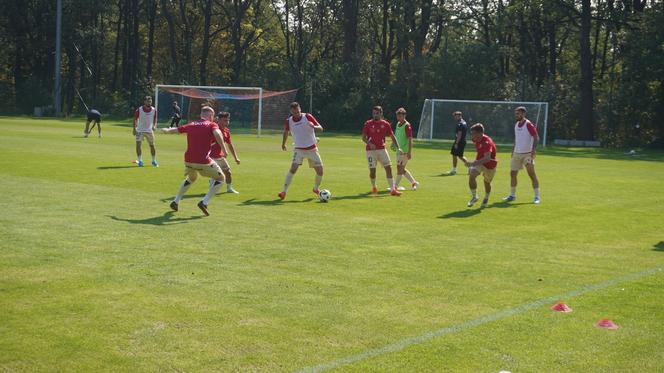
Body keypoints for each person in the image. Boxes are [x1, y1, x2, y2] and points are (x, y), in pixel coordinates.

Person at [161, 106, 228, 216]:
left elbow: (175, 130)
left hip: (188, 161)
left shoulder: (191, 124)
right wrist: (224, 149)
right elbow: (217, 133)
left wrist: (166, 130)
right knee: (221, 179)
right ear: (210, 116)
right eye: (213, 116)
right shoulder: (212, 124)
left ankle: (175, 201)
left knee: (192, 178)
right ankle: (204, 202)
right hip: (203, 161)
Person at [278, 102, 324, 200]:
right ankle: (283, 191)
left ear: (300, 109)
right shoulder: (289, 121)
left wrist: (314, 126)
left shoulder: (307, 116)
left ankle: (315, 189)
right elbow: (286, 132)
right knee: (293, 168)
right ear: (291, 112)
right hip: (299, 149)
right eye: (295, 112)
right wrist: (283, 144)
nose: (297, 114)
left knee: (320, 172)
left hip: (312, 149)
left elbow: (321, 128)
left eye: (298, 112)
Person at [503, 106, 540, 204]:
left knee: (531, 174)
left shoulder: (528, 124)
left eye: (518, 113)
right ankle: (512, 195)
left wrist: (533, 150)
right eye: (516, 113)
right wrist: (513, 150)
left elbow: (536, 137)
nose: (516, 115)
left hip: (527, 154)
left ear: (523, 114)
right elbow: (517, 139)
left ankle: (537, 196)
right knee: (512, 174)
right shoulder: (516, 124)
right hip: (516, 153)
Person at [362, 105, 402, 196]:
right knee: (372, 171)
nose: (375, 115)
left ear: (381, 113)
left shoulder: (386, 124)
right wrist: (369, 143)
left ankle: (393, 190)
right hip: (370, 151)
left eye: (377, 113)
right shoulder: (368, 123)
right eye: (373, 113)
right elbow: (363, 137)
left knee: (389, 168)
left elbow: (392, 136)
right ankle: (374, 186)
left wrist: (398, 147)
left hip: (382, 149)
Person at [464, 123, 498, 208]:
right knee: (472, 176)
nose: (472, 135)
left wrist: (472, 164)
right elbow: (479, 152)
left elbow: (487, 158)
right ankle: (474, 197)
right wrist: (473, 166)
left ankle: (486, 197)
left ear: (480, 133)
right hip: (480, 162)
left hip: (490, 164)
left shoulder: (487, 142)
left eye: (473, 133)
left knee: (486, 183)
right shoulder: (475, 139)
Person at [209, 112, 241, 194]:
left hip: (220, 156)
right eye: (224, 120)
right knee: (216, 174)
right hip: (211, 156)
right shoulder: (212, 129)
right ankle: (212, 188)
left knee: (228, 172)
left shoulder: (226, 131)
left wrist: (236, 158)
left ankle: (229, 188)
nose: (227, 122)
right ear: (218, 120)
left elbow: (230, 145)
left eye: (228, 120)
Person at [393, 107, 419, 191]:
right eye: (398, 116)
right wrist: (394, 143)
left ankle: (395, 186)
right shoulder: (397, 124)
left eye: (401, 116)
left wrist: (409, 152)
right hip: (398, 151)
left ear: (404, 116)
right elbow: (397, 135)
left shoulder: (407, 125)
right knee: (401, 169)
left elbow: (410, 139)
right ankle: (413, 182)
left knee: (400, 169)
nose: (399, 118)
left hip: (404, 151)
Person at [133, 95, 158, 167]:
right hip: (140, 130)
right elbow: (135, 119)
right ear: (144, 102)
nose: (149, 103)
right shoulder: (139, 109)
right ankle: (140, 160)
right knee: (138, 145)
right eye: (148, 101)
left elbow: (155, 119)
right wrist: (134, 129)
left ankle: (154, 161)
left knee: (152, 145)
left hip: (149, 130)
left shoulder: (154, 110)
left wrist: (154, 125)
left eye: (150, 101)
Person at [448, 111, 468, 175]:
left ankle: (454, 170)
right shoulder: (464, 122)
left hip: (459, 142)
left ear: (460, 116)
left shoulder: (460, 124)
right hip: (462, 141)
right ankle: (471, 167)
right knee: (460, 156)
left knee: (454, 155)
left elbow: (459, 134)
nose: (455, 117)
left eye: (456, 116)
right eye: (454, 116)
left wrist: (456, 143)